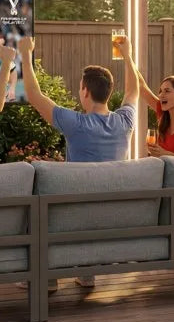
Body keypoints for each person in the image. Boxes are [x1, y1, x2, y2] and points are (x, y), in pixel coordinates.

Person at [18, 33, 141, 288]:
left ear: (85, 91)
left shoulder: (76, 124)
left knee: (39, 205)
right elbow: (133, 91)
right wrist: (128, 56)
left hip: (75, 213)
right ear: (108, 92)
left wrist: (26, 55)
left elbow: (34, 95)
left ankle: (48, 279)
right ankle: (86, 273)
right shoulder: (125, 122)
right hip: (114, 212)